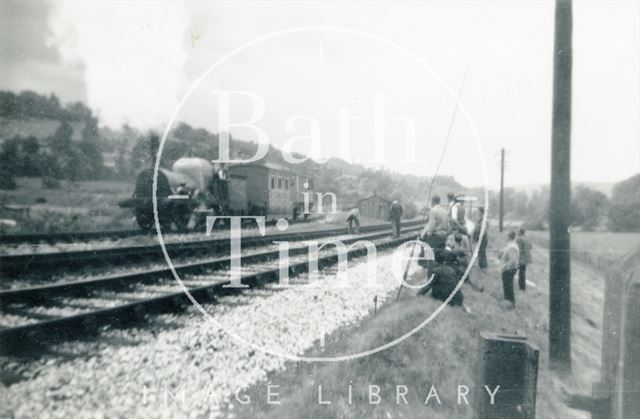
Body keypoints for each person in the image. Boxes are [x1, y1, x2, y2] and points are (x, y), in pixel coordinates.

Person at [498, 231, 520, 308]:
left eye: (506, 236)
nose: (505, 237)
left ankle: (511, 303)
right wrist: (501, 253)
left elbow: (513, 260)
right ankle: (508, 301)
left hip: (509, 269)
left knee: (508, 286)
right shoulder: (511, 245)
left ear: (509, 237)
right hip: (508, 268)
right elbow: (504, 251)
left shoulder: (512, 247)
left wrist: (506, 268)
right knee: (506, 285)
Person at [472, 206, 489, 272]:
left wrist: (477, 237)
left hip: (483, 239)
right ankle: (481, 266)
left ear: (481, 212)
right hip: (480, 238)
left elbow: (483, 231)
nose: (477, 212)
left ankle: (484, 267)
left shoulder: (483, 220)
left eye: (478, 211)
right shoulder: (480, 220)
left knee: (482, 252)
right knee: (480, 252)